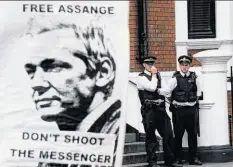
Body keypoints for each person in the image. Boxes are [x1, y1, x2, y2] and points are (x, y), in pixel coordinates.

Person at [21, 17, 121, 167]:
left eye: (54, 67)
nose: (36, 84)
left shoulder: (116, 137)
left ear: (102, 72)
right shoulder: (54, 149)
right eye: (31, 72)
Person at [136, 56, 178, 167]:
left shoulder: (158, 76)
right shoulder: (141, 77)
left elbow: (167, 90)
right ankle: (152, 162)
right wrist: (154, 76)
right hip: (149, 111)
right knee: (151, 137)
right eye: (148, 63)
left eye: (152, 63)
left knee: (168, 134)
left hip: (160, 109)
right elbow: (151, 88)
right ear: (144, 65)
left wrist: (160, 90)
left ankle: (169, 161)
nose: (150, 65)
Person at [167, 55, 202, 165]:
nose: (184, 67)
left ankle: (193, 158)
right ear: (179, 66)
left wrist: (191, 103)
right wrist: (174, 102)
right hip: (179, 111)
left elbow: (198, 94)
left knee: (193, 134)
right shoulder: (174, 78)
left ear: (190, 65)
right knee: (178, 135)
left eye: (186, 65)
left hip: (191, 110)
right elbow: (167, 93)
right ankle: (177, 158)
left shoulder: (195, 78)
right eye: (182, 65)